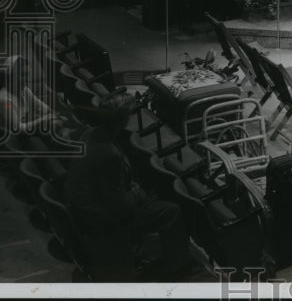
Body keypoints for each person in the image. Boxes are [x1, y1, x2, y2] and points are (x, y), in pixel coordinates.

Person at [64, 94, 195, 280]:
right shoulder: (109, 155)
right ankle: (177, 268)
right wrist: (137, 193)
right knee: (171, 211)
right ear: (124, 120)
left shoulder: (90, 134)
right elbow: (119, 207)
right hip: (105, 222)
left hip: (87, 211)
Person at [0, 55, 75, 137]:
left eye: (27, 75)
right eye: (22, 75)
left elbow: (40, 106)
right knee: (55, 126)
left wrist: (58, 116)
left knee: (58, 123)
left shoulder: (24, 90)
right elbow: (18, 129)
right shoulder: (5, 101)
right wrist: (44, 119)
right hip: (13, 138)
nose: (26, 79)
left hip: (25, 124)